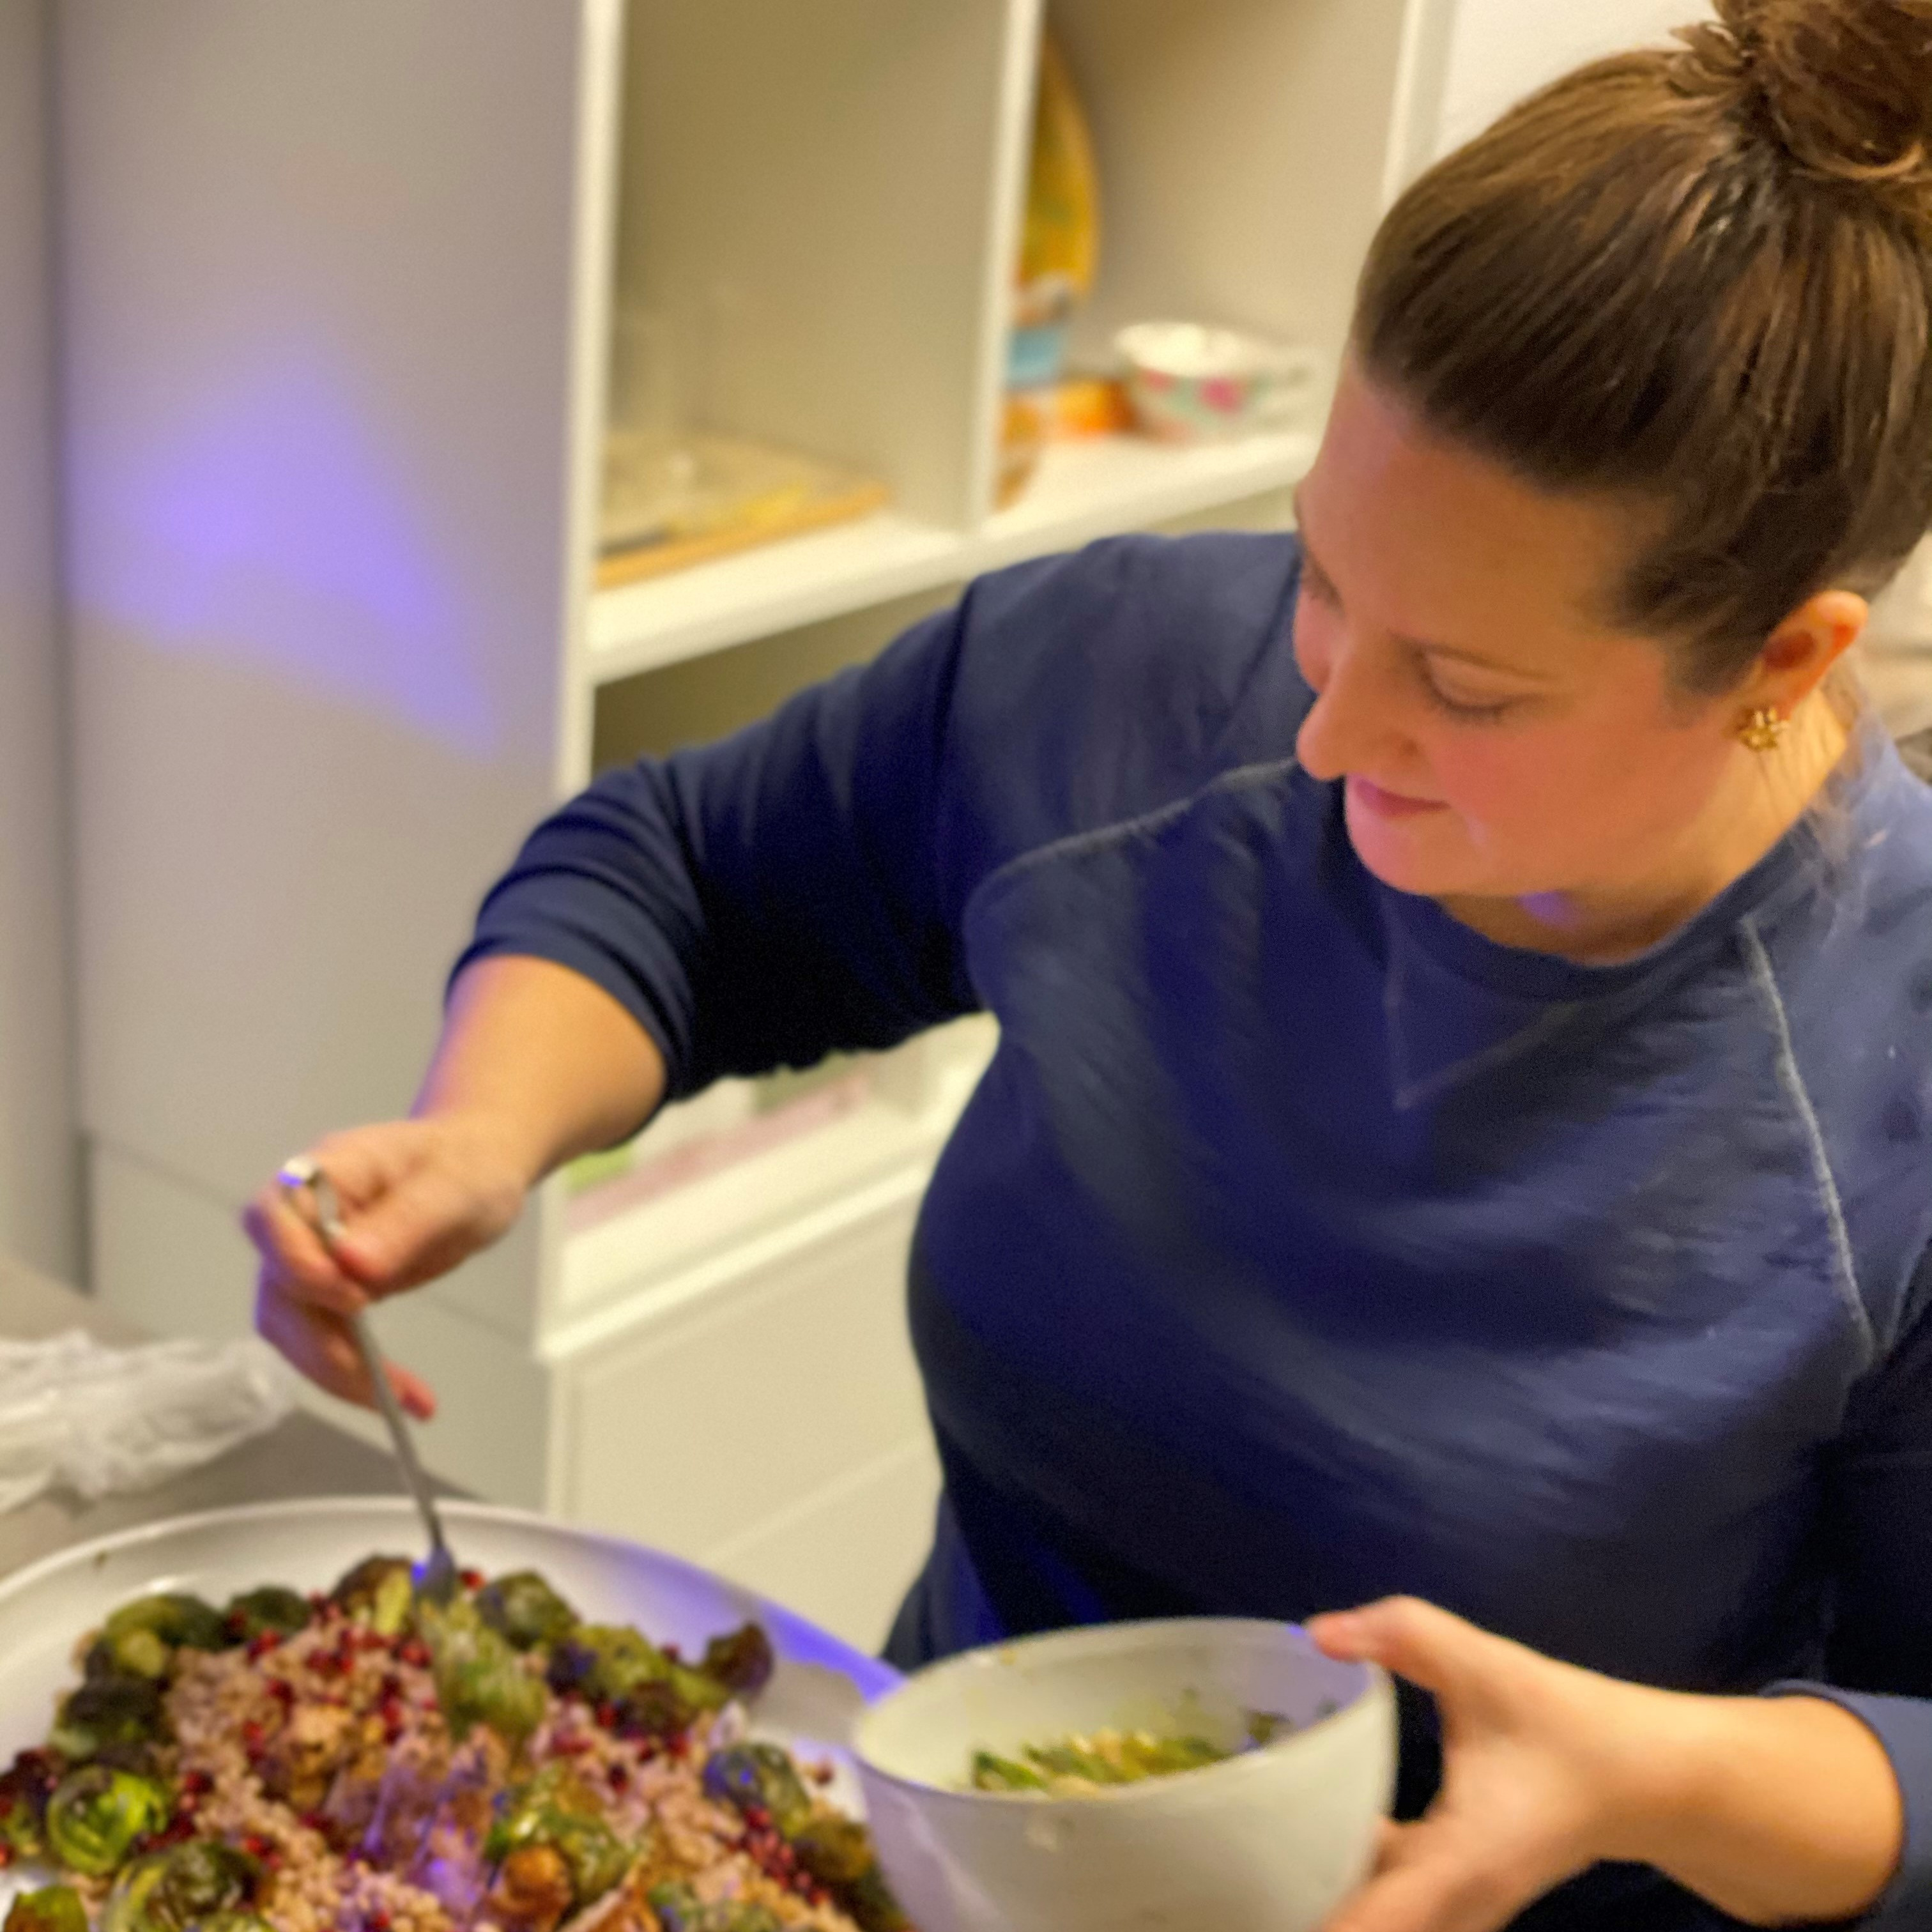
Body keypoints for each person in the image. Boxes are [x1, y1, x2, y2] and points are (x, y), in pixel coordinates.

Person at [246, 2, 1932, 1925]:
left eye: (1463, 687)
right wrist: (483, 1130)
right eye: (1321, 574)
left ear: (1786, 664)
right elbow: (687, 875)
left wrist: (1659, 1772)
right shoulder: (1127, 684)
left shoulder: (1893, 1083)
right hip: (942, 1849)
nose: (1318, 731)